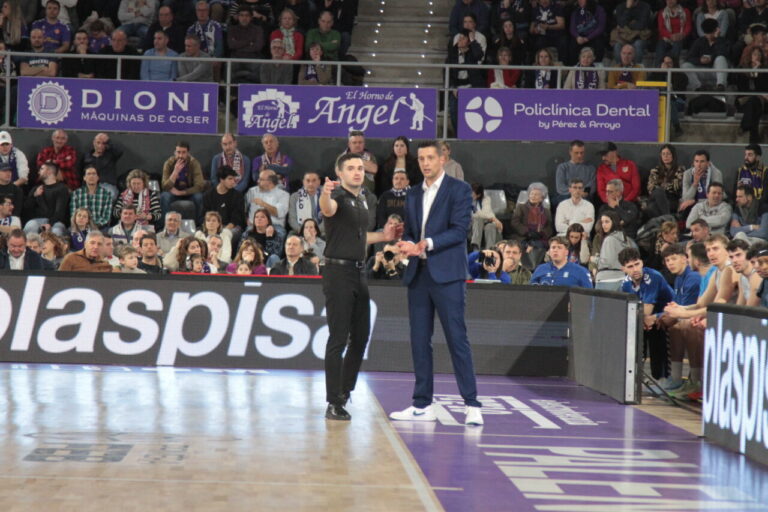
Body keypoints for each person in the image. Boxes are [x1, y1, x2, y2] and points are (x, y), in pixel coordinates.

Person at [389, 141, 483, 426]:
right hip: (419, 274)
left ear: (443, 159)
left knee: (457, 339)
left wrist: (426, 244)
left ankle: (472, 404)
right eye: (421, 159)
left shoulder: (459, 189)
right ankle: (421, 405)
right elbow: (416, 231)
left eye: (430, 158)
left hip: (448, 275)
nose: (425, 163)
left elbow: (459, 231)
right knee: (419, 341)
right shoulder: (414, 192)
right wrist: (406, 243)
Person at [319, 152, 400, 421]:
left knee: (361, 337)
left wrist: (384, 236)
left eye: (360, 168)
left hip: (359, 271)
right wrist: (324, 193)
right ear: (339, 173)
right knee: (338, 339)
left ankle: (344, 392)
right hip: (338, 272)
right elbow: (327, 208)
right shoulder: (338, 197)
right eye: (351, 168)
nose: (357, 172)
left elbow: (360, 236)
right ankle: (333, 401)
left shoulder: (362, 199)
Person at [664, 234, 736, 399]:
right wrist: (680, 308)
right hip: (721, 318)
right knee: (684, 324)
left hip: (731, 321)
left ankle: (701, 382)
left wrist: (684, 314)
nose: (711, 253)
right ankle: (694, 381)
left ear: (727, 250)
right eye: (709, 249)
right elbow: (702, 303)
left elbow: (717, 306)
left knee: (689, 325)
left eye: (716, 248)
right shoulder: (717, 272)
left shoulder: (729, 269)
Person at [619, 247, 674, 380]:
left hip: (665, 314)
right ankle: (634, 377)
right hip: (645, 319)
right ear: (623, 269)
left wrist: (643, 319)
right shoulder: (625, 284)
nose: (635, 269)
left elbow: (647, 309)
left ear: (642, 263)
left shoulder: (653, 276)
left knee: (654, 331)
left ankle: (663, 378)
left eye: (637, 264)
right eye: (630, 266)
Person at [447, 29, 485, 132]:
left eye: (463, 38)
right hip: (457, 89)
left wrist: (473, 41)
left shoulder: (472, 52)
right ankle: (458, 134)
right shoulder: (452, 54)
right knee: (454, 110)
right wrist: (452, 88)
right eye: (459, 37)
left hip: (472, 87)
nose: (459, 40)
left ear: (468, 41)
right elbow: (447, 74)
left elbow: (479, 55)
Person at [160, 141, 205, 222]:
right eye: (178, 152)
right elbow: (164, 186)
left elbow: (200, 185)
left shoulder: (194, 163)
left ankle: (200, 225)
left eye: (184, 152)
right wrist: (175, 172)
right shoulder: (169, 163)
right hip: (173, 192)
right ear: (174, 152)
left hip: (189, 192)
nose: (180, 155)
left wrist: (182, 192)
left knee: (199, 197)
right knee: (164, 196)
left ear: (188, 153)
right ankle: (163, 225)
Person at [593, 210, 636, 290]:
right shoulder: (626, 239)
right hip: (622, 278)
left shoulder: (609, 239)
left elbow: (608, 262)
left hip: (606, 279)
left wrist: (595, 259)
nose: (604, 225)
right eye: (602, 222)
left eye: (607, 222)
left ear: (614, 222)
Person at [23, 162, 68, 237]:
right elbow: (26, 208)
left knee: (57, 231)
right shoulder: (36, 189)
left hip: (56, 222)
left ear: (49, 171)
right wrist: (34, 196)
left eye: (42, 169)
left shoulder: (61, 188)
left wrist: (50, 223)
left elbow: (60, 212)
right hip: (37, 220)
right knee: (30, 226)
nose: (38, 172)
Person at [683, 18, 729, 91]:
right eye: (707, 33)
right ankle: (698, 87)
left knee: (721, 58)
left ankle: (721, 85)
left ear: (716, 30)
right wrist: (700, 60)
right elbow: (689, 58)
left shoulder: (722, 41)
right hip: (702, 70)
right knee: (685, 65)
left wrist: (718, 39)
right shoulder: (699, 41)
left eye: (711, 33)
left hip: (716, 71)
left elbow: (723, 53)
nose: (709, 36)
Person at [509, 182, 553, 259]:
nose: (533, 196)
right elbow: (515, 222)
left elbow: (549, 227)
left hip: (540, 238)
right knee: (523, 245)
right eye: (531, 194)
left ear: (542, 197)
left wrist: (542, 233)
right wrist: (527, 232)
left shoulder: (546, 211)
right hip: (523, 236)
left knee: (538, 245)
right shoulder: (521, 207)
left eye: (536, 194)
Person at [203, 166, 246, 242]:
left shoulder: (237, 196)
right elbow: (205, 215)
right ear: (221, 180)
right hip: (213, 226)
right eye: (230, 179)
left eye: (234, 179)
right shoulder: (208, 195)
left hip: (231, 227)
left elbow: (237, 218)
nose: (233, 182)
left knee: (227, 234)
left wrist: (222, 230)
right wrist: (214, 228)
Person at [736, 45, 768, 143]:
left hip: (760, 102)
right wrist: (753, 71)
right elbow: (743, 89)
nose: (757, 57)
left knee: (754, 103)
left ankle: (745, 126)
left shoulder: (765, 71)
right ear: (749, 56)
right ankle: (754, 137)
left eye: (759, 55)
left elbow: (763, 87)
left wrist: (758, 70)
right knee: (754, 103)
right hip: (744, 101)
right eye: (754, 54)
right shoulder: (742, 70)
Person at [246, 170, 290, 238]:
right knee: (245, 238)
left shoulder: (283, 195)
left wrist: (263, 204)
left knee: (279, 236)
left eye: (261, 179)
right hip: (254, 225)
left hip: (275, 226)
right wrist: (246, 219)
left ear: (270, 181)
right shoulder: (252, 191)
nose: (258, 181)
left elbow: (278, 213)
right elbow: (243, 208)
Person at [646, 144, 685, 218]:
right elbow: (651, 188)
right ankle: (668, 219)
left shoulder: (680, 169)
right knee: (658, 192)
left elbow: (677, 187)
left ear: (673, 155)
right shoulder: (655, 170)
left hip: (671, 199)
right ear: (660, 156)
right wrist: (666, 187)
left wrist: (661, 186)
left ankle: (662, 225)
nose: (665, 156)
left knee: (652, 207)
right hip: (656, 197)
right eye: (663, 154)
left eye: (668, 154)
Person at [81, 132, 123, 200]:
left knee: (110, 194)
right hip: (89, 185)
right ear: (94, 142)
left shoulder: (111, 155)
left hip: (107, 184)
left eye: (103, 143)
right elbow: (81, 171)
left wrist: (109, 141)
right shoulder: (86, 156)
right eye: (98, 142)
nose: (100, 146)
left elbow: (120, 151)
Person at [228, 6, 264, 83]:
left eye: (247, 15)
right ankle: (230, 93)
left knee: (259, 66)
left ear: (251, 17)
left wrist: (238, 45)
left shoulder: (258, 29)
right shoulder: (232, 29)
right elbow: (231, 45)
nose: (244, 18)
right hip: (236, 58)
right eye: (241, 15)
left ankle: (254, 92)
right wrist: (249, 42)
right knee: (229, 66)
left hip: (253, 58)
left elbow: (258, 47)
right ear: (238, 17)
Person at [554, 140, 596, 204]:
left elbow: (592, 186)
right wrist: (577, 193)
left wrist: (581, 193)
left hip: (584, 200)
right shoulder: (562, 167)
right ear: (570, 152)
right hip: (566, 199)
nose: (579, 155)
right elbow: (560, 188)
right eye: (576, 153)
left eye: (582, 153)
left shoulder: (590, 168)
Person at [654, 0, 692, 67]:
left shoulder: (685, 11)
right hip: (666, 38)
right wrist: (670, 36)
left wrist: (682, 34)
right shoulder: (662, 12)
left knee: (678, 43)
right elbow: (661, 29)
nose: (669, 1)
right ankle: (659, 69)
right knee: (661, 46)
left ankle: (673, 67)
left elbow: (688, 26)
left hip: (681, 37)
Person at [469, 182, 503, 251]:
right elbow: (470, 215)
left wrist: (492, 219)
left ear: (478, 195)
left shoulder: (486, 199)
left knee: (490, 226)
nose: (469, 194)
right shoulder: (464, 200)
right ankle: (476, 249)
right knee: (478, 220)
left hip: (487, 223)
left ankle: (489, 252)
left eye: (472, 193)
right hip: (472, 225)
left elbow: (486, 213)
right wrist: (493, 218)